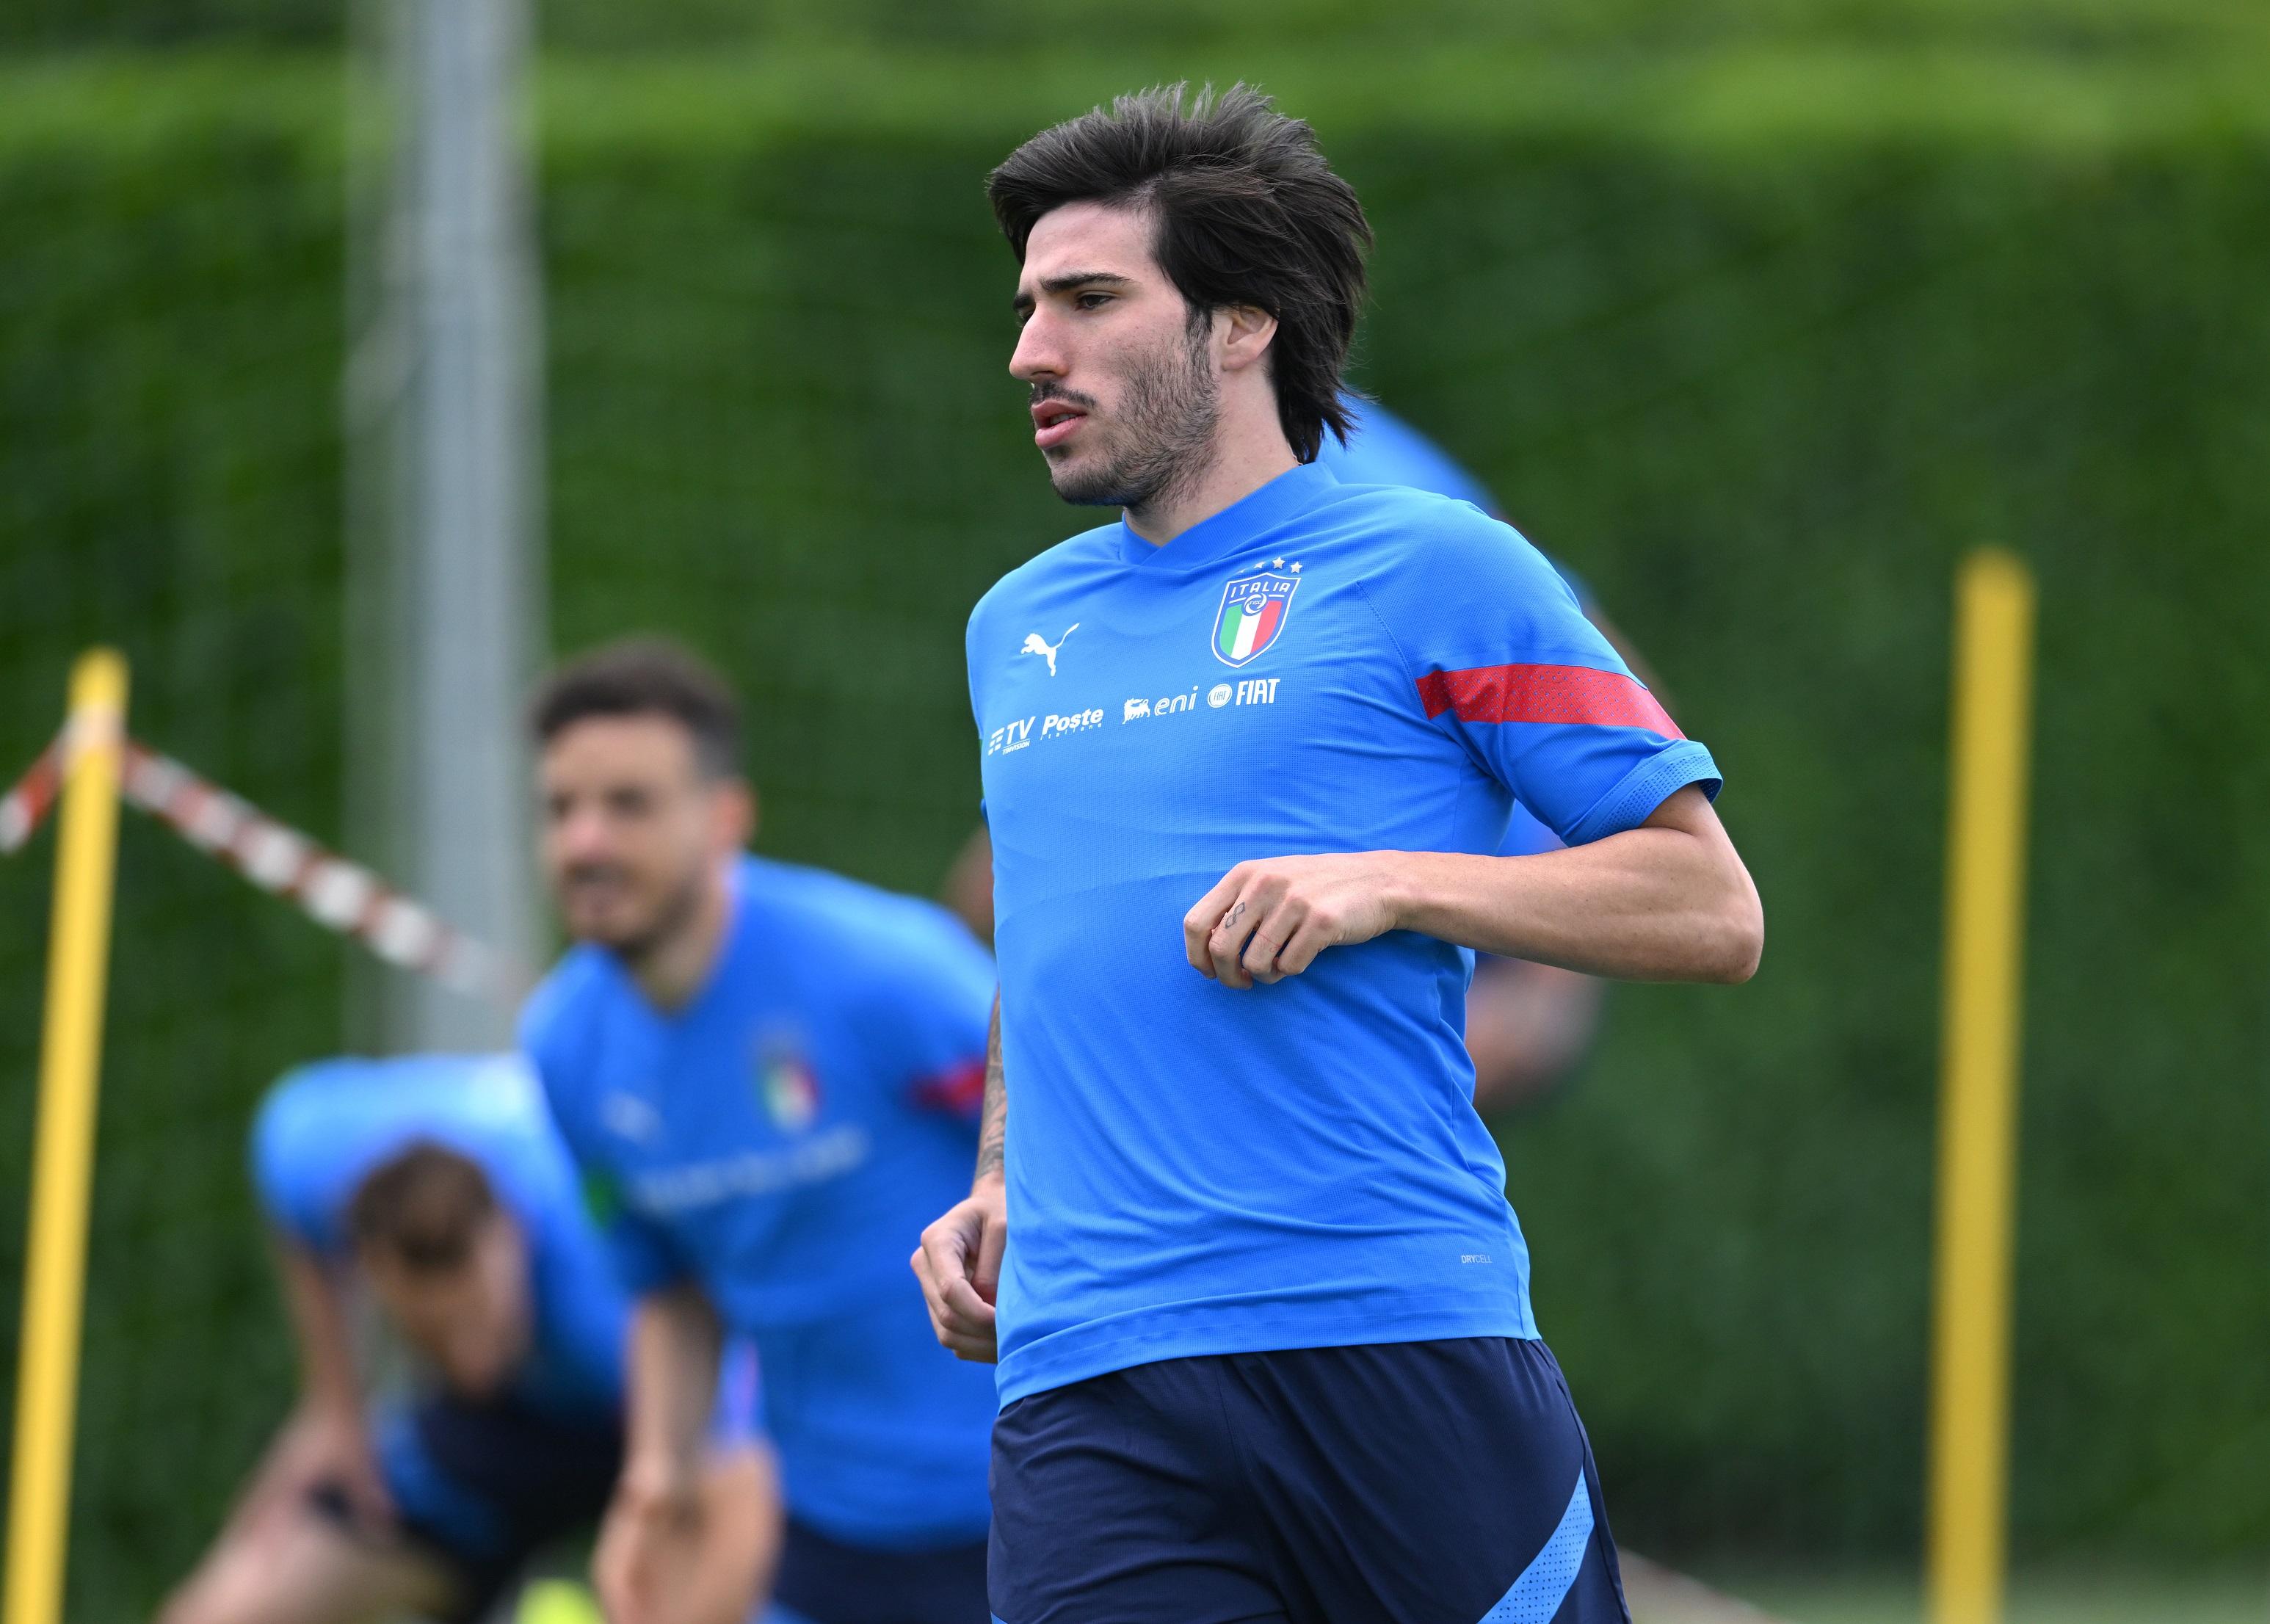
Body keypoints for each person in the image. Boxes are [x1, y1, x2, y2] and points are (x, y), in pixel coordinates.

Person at [913, 84, 1763, 1624]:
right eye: (1030, 304)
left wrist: (1393, 878)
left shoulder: (1437, 562)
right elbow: (1048, 947)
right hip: (1086, 1378)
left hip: (1389, 1339)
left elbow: (1708, 901)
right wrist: (994, 1173)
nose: (1034, 348)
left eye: (1092, 298)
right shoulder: (1014, 625)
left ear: (1239, 325)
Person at [942, 393, 1618, 1111]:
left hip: (1460, 948)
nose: (1033, 352)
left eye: (1096, 299)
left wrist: (1545, 988)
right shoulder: (1088, 577)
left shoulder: (1377, 488)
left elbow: (1586, 655)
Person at [519, 641, 998, 1624]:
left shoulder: (886, 972)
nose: (584, 844)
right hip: (822, 1536)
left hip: (1032, 1504)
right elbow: (668, 1285)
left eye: (628, 805)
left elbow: (1070, 1120)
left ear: (726, 818)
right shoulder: (566, 1047)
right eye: (560, 809)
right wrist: (656, 1477)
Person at [158, 1054, 773, 1624]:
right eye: (434, 1337)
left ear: (513, 1232)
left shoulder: (617, 1292)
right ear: (370, 1268)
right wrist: (332, 1405)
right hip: (506, 1424)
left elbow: (744, 1489)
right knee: (242, 1596)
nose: (471, 1358)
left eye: (485, 1322)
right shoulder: (321, 1154)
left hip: (665, 1426)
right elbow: (281, 1166)